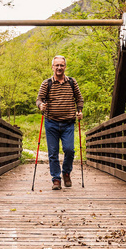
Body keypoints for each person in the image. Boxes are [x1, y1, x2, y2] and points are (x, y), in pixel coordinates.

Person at [36, 55, 84, 190]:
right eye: (56, 65)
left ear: (65, 67)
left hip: (68, 123)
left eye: (61, 65)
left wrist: (79, 110)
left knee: (69, 150)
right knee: (53, 153)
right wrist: (41, 106)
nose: (59, 67)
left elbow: (79, 99)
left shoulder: (72, 83)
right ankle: (56, 179)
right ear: (52, 67)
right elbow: (39, 100)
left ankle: (66, 173)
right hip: (51, 122)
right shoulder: (47, 83)